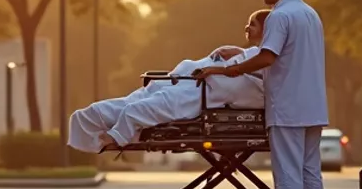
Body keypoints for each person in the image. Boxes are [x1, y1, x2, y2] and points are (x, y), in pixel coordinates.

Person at [197, 0, 327, 189]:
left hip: (288, 107)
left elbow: (268, 57)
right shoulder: (310, 14)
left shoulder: (280, 16)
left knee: (288, 172)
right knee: (310, 171)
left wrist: (231, 68)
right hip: (313, 105)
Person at [67, 9, 270, 153]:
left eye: (253, 24)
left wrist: (217, 69)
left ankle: (117, 137)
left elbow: (240, 84)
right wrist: (236, 52)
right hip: (187, 81)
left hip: (201, 93)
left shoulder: (264, 64)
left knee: (138, 108)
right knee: (133, 99)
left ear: (266, 29)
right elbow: (245, 64)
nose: (247, 27)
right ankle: (95, 121)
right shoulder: (252, 53)